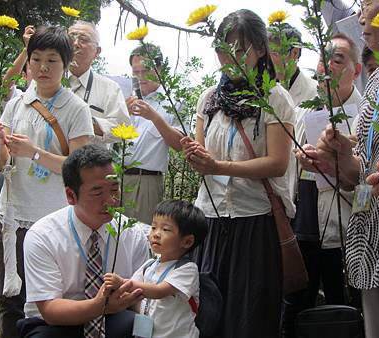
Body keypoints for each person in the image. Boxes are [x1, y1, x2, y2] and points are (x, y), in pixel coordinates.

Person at [181, 9, 296, 338]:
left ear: (260, 49)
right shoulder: (208, 99)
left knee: (250, 317)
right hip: (211, 220)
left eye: (239, 48)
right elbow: (201, 154)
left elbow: (278, 163)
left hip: (254, 220)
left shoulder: (275, 98)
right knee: (208, 315)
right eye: (223, 48)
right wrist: (196, 157)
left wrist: (218, 166)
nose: (229, 57)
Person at [0, 26, 94, 338]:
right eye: (36, 60)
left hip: (53, 218)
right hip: (11, 215)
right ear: (28, 63)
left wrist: (34, 153)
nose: (43, 68)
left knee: (49, 300)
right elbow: (2, 164)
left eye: (52, 61)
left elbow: (79, 168)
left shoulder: (76, 109)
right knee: (10, 298)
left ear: (66, 64)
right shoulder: (16, 103)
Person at [298, 1, 379, 336]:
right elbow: (359, 171)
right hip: (369, 236)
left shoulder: (364, 97)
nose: (361, 14)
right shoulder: (377, 84)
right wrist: (333, 160)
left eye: (370, 4)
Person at [20, 144, 150, 338]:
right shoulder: (43, 236)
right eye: (98, 192)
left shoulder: (131, 233)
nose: (111, 201)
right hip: (55, 325)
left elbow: (140, 297)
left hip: (114, 318)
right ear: (71, 196)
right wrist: (98, 306)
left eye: (114, 189)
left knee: (140, 327)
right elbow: (49, 309)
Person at [285, 33, 362, 338]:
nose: (327, 66)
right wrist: (301, 156)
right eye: (322, 58)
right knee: (298, 304)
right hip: (304, 217)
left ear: (356, 70)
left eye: (337, 59)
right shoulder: (303, 110)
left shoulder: (365, 114)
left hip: (345, 222)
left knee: (342, 303)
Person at [104, 199, 207, 338]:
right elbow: (131, 294)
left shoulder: (187, 269)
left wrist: (122, 283)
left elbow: (159, 291)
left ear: (187, 241)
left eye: (165, 229)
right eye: (153, 227)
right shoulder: (149, 266)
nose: (156, 234)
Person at [123, 43, 185, 224]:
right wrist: (121, 113)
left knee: (142, 239)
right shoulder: (123, 97)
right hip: (116, 177)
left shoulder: (173, 101)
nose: (140, 77)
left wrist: (154, 117)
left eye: (146, 71)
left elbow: (179, 144)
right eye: (136, 72)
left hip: (147, 182)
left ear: (159, 69)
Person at [68, 21, 130, 145]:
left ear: (97, 52)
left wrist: (86, 122)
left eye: (83, 39)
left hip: (89, 162)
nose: (75, 44)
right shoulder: (49, 80)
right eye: (71, 38)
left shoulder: (110, 88)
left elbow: (122, 127)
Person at [267, 23, 318, 107]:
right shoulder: (262, 95)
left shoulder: (316, 93)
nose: (267, 59)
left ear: (295, 53)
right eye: (265, 53)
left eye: (274, 53)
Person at [1, 25, 35, 108]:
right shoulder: (18, 97)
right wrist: (27, 48)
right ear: (24, 76)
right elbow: (6, 85)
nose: (39, 70)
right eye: (32, 67)